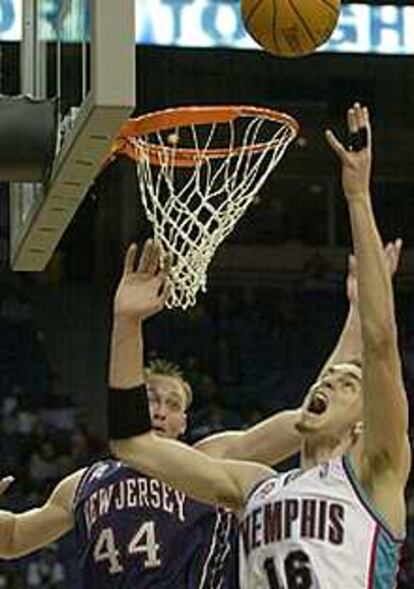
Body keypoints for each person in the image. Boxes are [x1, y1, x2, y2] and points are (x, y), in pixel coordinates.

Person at [109, 103, 411, 588]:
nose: (330, 378)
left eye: (347, 382)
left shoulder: (376, 473)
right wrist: (126, 325)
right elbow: (133, 444)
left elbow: (379, 342)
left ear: (363, 421)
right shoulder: (253, 486)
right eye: (328, 375)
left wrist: (357, 196)